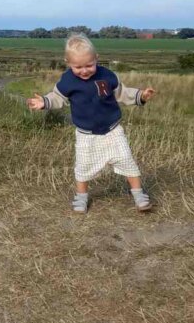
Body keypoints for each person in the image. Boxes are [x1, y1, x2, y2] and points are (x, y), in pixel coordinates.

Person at [27, 33, 156, 213]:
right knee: (83, 166)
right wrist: (44, 102)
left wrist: (140, 96)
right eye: (78, 67)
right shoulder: (68, 81)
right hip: (86, 134)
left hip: (113, 130)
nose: (84, 70)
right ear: (68, 62)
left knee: (126, 160)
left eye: (89, 65)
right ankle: (81, 197)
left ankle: (138, 194)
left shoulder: (107, 76)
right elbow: (57, 98)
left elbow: (122, 93)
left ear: (97, 58)